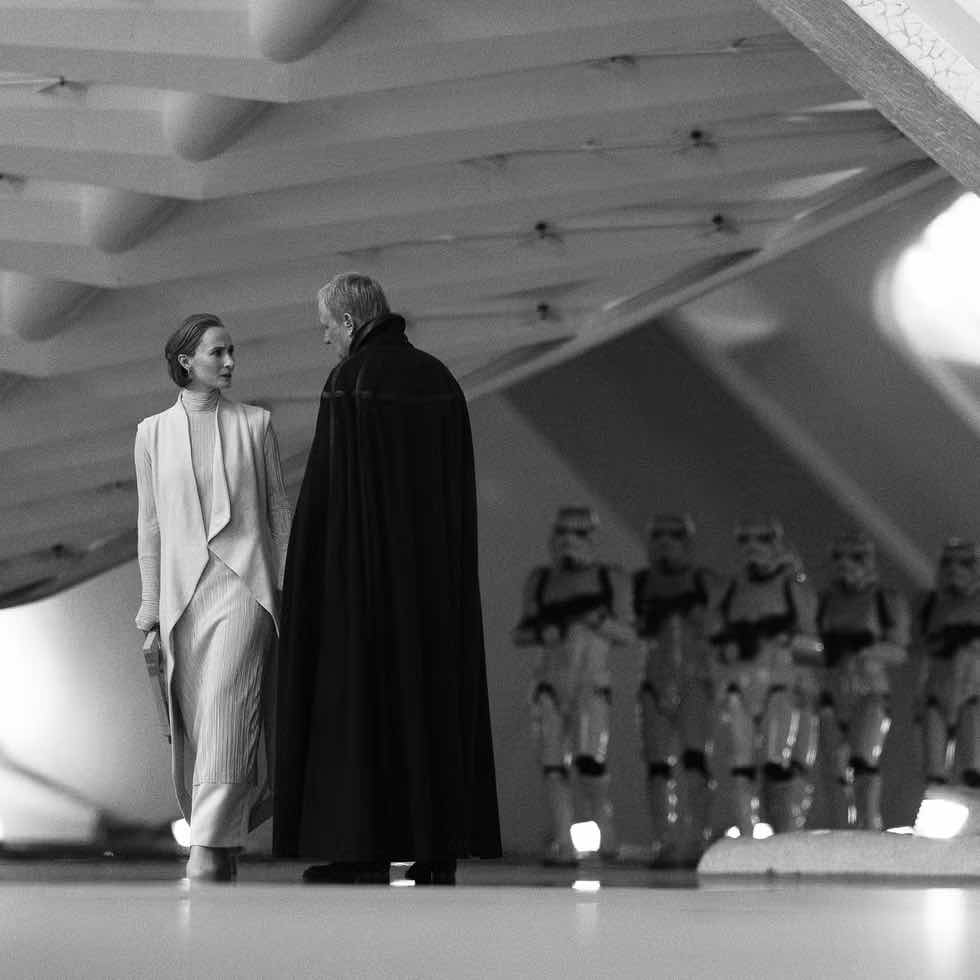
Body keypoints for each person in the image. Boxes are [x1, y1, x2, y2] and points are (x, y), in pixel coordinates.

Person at [274, 273, 501, 885]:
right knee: (432, 703)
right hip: (435, 585)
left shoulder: (351, 381)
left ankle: (363, 852)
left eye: (327, 327)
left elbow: (329, 495)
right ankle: (436, 853)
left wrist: (308, 577)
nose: (326, 339)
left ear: (349, 323)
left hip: (366, 583)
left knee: (363, 703)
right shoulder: (440, 379)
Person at [134, 313, 291, 882]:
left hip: (245, 587)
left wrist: (291, 588)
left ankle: (204, 846)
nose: (229, 362)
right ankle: (222, 849)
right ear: (186, 361)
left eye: (231, 352)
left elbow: (278, 513)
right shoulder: (151, 433)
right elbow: (150, 527)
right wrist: (150, 606)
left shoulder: (256, 423)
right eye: (217, 353)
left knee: (228, 704)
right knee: (205, 726)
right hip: (183, 598)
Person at [513, 506, 635, 866]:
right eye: (562, 532)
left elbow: (628, 632)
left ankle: (605, 833)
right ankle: (563, 840)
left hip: (591, 683)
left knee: (590, 763)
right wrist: (545, 631)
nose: (568, 540)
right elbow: (522, 631)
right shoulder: (541, 581)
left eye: (578, 533)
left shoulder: (609, 578)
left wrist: (597, 621)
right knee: (553, 766)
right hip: (550, 683)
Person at [710, 517, 822, 835]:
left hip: (781, 685)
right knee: (740, 766)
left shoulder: (793, 589)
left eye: (761, 539)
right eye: (746, 540)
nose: (753, 547)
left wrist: (786, 643)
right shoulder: (731, 590)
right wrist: (728, 652)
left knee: (779, 764)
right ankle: (747, 834)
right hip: (741, 686)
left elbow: (816, 645)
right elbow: (713, 637)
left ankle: (785, 834)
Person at [633, 513, 722, 867]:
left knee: (695, 761)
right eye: (659, 536)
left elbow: (718, 624)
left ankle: (695, 837)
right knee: (657, 766)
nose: (666, 543)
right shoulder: (642, 583)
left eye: (674, 536)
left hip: (693, 679)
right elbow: (630, 625)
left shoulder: (703, 581)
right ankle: (665, 841)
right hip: (655, 680)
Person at [816, 532, 909, 829]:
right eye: (840, 558)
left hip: (870, 691)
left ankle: (868, 827)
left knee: (864, 762)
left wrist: (866, 650)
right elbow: (811, 643)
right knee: (835, 768)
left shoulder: (884, 600)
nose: (847, 565)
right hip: (833, 691)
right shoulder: (826, 601)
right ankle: (844, 829)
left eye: (855, 557)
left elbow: (900, 649)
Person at [916, 539, 980, 810]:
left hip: (973, 692)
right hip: (937, 691)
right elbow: (922, 650)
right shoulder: (932, 603)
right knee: (935, 772)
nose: (955, 570)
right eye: (949, 564)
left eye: (964, 563)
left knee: (972, 769)